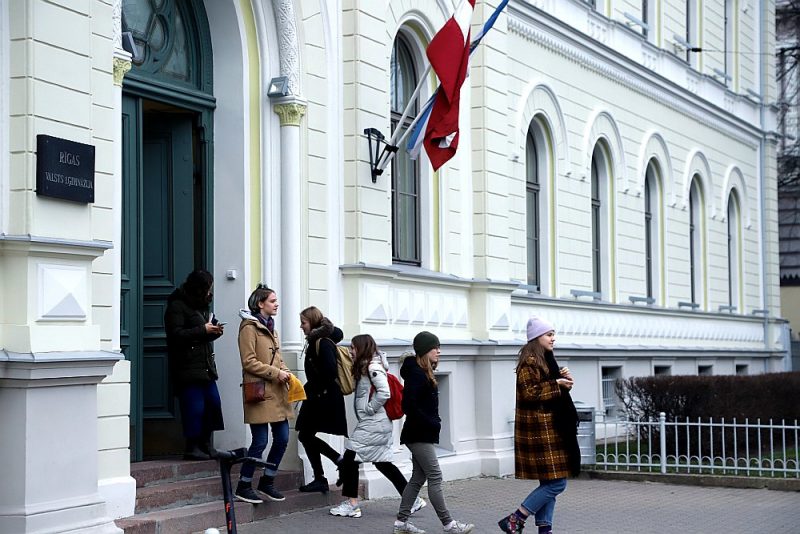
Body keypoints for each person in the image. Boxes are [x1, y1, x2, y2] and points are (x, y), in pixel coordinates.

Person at [497, 317, 581, 534]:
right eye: (549, 334)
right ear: (536, 338)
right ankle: (516, 518)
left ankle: (545, 530)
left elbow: (550, 392)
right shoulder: (530, 361)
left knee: (549, 484)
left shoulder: (545, 359)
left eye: (553, 334)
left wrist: (564, 383)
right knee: (557, 484)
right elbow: (530, 392)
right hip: (539, 430)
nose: (553, 338)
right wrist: (556, 384)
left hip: (550, 427)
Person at [329, 334, 426, 519]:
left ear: (362, 348)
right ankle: (412, 500)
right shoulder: (368, 366)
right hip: (376, 424)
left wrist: (369, 409)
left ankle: (352, 505)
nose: (351, 351)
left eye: (353, 347)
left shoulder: (372, 367)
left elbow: (384, 392)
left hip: (374, 423)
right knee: (382, 463)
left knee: (350, 458)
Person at [393, 331, 474, 534]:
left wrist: (431, 423)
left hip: (420, 433)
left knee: (417, 478)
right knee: (435, 476)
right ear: (424, 350)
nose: (439, 351)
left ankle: (401, 523)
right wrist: (431, 422)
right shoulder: (417, 374)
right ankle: (449, 524)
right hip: (418, 434)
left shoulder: (421, 372)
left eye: (439, 347)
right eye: (434, 347)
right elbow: (408, 404)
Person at [234, 284, 294, 504]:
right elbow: (248, 361)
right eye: (272, 301)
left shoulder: (272, 328)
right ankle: (244, 484)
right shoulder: (249, 327)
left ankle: (267, 482)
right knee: (259, 441)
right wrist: (275, 373)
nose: (277, 304)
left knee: (283, 438)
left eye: (276, 301)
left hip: (277, 392)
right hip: (259, 392)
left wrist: (287, 373)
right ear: (260, 304)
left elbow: (277, 359)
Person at [164, 269, 225, 461]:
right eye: (208, 287)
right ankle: (192, 447)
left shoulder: (202, 306)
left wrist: (213, 331)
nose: (210, 291)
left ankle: (207, 444)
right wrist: (202, 329)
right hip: (187, 366)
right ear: (200, 287)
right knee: (194, 408)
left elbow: (201, 332)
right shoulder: (177, 306)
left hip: (205, 365)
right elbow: (175, 335)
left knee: (213, 404)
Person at [295, 306, 347, 493]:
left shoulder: (322, 342)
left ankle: (330, 469)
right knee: (305, 435)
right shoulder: (316, 340)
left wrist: (310, 388)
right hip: (318, 396)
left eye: (304, 322)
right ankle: (324, 474)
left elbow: (330, 371)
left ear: (313, 322)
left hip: (322, 397)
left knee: (305, 435)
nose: (301, 326)